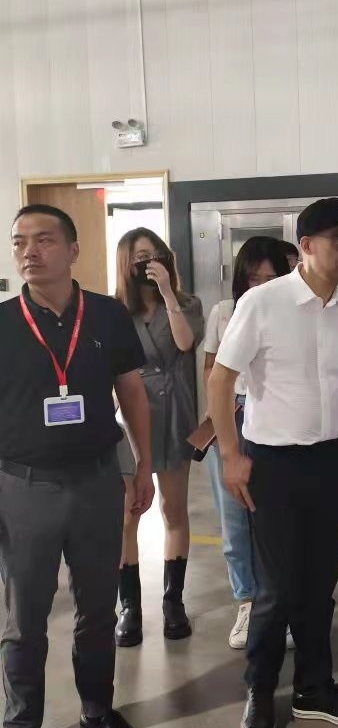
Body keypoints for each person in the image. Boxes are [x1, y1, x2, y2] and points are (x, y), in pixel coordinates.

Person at [208, 198, 338, 728]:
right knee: (277, 589)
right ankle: (260, 690)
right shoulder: (262, 302)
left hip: (331, 461)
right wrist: (231, 456)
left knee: (320, 585)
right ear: (306, 246)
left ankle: (313, 688)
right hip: (274, 465)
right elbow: (220, 379)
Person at [0, 206, 154, 728]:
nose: (29, 252)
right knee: (24, 620)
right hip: (24, 486)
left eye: (43, 240)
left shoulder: (107, 315)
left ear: (72, 250)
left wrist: (142, 465)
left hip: (95, 482)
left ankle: (97, 710)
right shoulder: (4, 322)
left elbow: (131, 391)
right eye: (19, 242)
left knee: (97, 609)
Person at [114, 228, 205, 646]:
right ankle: (129, 607)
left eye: (152, 255)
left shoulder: (187, 303)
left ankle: (173, 601)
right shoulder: (114, 311)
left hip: (175, 413)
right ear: (125, 263)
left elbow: (185, 343)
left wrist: (168, 292)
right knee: (128, 514)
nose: (146, 263)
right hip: (131, 416)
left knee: (174, 510)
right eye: (137, 257)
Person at [203, 237, 291, 648]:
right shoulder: (224, 311)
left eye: (271, 278)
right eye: (254, 278)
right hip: (234, 416)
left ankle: (279, 605)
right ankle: (246, 601)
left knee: (275, 519)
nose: (262, 286)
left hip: (276, 420)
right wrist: (220, 427)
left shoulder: (295, 311)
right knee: (235, 519)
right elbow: (211, 371)